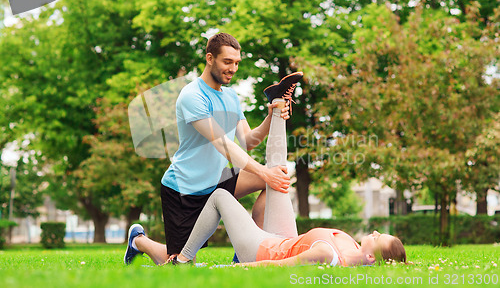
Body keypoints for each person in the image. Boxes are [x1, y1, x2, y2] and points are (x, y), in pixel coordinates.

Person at [126, 98, 406, 267]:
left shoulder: (330, 254)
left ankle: (160, 250)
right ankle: (279, 105)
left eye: (378, 238)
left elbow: (279, 266)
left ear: (372, 259)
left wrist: (237, 269)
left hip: (265, 248)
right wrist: (273, 116)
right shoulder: (353, 248)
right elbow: (247, 142)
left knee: (219, 198)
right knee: (277, 176)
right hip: (276, 235)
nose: (374, 233)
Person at [124, 32, 304, 265]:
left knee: (274, 178)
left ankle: (249, 252)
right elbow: (223, 144)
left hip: (218, 180)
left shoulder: (231, 97)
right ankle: (138, 240)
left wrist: (271, 117)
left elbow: (248, 140)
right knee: (177, 263)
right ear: (210, 58)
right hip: (184, 189)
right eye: (227, 62)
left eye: (237, 62)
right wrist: (263, 171)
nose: (233, 68)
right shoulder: (192, 96)